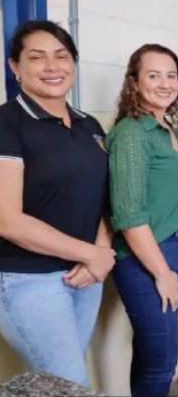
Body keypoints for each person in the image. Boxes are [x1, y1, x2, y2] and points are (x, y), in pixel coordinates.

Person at [0, 20, 115, 387]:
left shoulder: (89, 125)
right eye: (37, 57)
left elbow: (103, 197)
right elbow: (8, 220)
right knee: (68, 384)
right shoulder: (6, 124)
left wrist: (100, 252)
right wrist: (91, 254)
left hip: (86, 275)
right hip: (28, 279)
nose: (52, 66)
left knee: (59, 384)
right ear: (15, 67)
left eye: (61, 56)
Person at [107, 44, 178, 396]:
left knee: (150, 358)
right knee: (161, 364)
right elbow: (129, 215)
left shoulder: (166, 128)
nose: (165, 83)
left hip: (175, 250)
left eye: (171, 75)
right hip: (149, 257)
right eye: (154, 75)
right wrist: (162, 272)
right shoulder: (132, 134)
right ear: (134, 82)